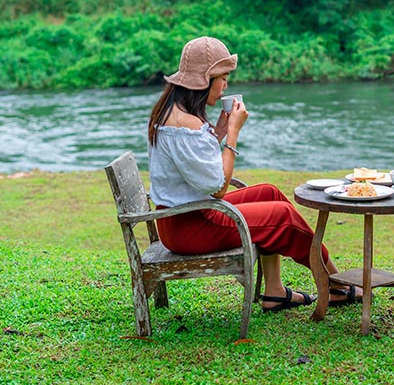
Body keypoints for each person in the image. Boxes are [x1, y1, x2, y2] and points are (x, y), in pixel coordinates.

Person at [147, 36, 361, 312]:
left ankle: (275, 292)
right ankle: (336, 283)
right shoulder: (186, 124)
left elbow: (194, 166)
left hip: (182, 216)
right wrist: (232, 134)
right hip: (190, 226)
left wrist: (219, 132)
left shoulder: (172, 112)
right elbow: (218, 188)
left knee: (270, 193)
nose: (226, 86)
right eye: (223, 78)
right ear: (205, 79)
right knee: (282, 217)